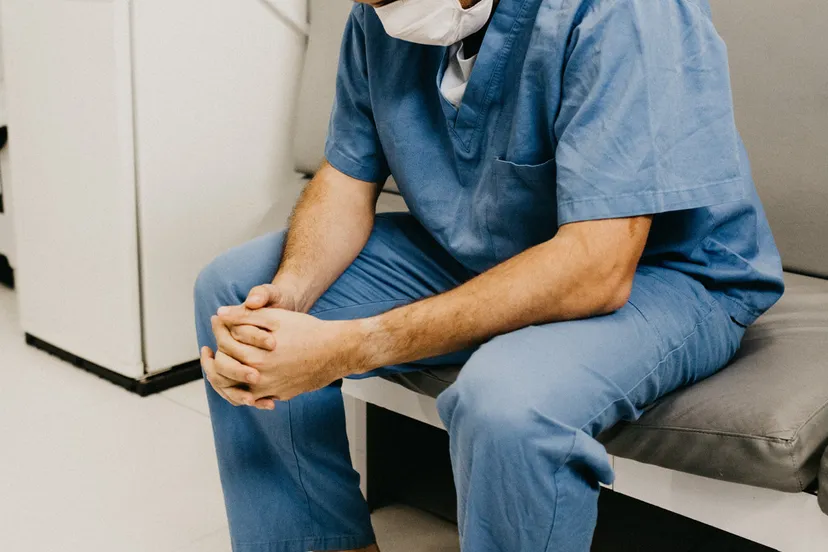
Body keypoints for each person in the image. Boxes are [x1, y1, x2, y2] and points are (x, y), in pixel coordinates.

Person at [193, 0, 784, 550]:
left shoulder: (622, 12)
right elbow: (347, 177)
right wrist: (287, 298)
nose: (380, 11)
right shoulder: (383, 13)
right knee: (239, 295)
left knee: (506, 403)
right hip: (489, 243)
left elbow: (597, 268)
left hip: (665, 271)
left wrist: (353, 345)